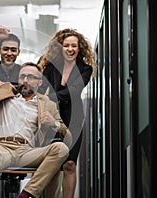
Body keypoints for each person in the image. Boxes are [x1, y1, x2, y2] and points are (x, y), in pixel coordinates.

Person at [0, 25, 71, 198]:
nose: (26, 80)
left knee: (61, 149)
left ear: (40, 82)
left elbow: (69, 138)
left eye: (31, 77)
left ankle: (27, 193)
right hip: (0, 147)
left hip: (27, 150)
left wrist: (54, 124)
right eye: (23, 76)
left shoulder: (46, 103)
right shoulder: (2, 89)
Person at [38, 28, 97, 198]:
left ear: (80, 48)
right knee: (54, 164)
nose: (70, 49)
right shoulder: (50, 67)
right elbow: (40, 88)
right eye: (66, 45)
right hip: (51, 118)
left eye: (74, 46)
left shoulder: (85, 69)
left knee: (70, 164)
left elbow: (74, 91)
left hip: (74, 119)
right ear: (60, 47)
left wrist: (49, 96)